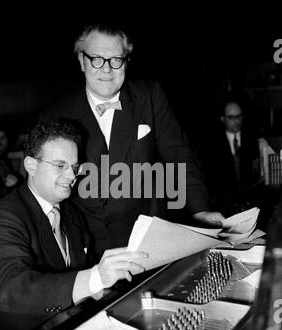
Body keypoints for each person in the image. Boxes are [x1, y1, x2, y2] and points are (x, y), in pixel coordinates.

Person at [42, 23, 224, 260]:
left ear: (126, 61)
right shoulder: (56, 115)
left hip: (149, 241)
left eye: (116, 59)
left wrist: (200, 211)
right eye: (96, 58)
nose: (107, 69)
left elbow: (179, 156)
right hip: (89, 249)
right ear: (81, 61)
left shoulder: (150, 96)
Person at [0, 119, 147, 330]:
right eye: (60, 165)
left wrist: (100, 286)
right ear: (31, 166)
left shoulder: (71, 213)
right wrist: (94, 279)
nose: (72, 176)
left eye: (74, 166)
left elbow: (81, 273)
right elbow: (9, 289)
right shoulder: (2, 216)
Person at [199, 99, 260, 214]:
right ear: (222, 119)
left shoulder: (252, 140)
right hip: (224, 205)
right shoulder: (212, 145)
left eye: (239, 116)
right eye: (231, 117)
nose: (237, 121)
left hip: (251, 204)